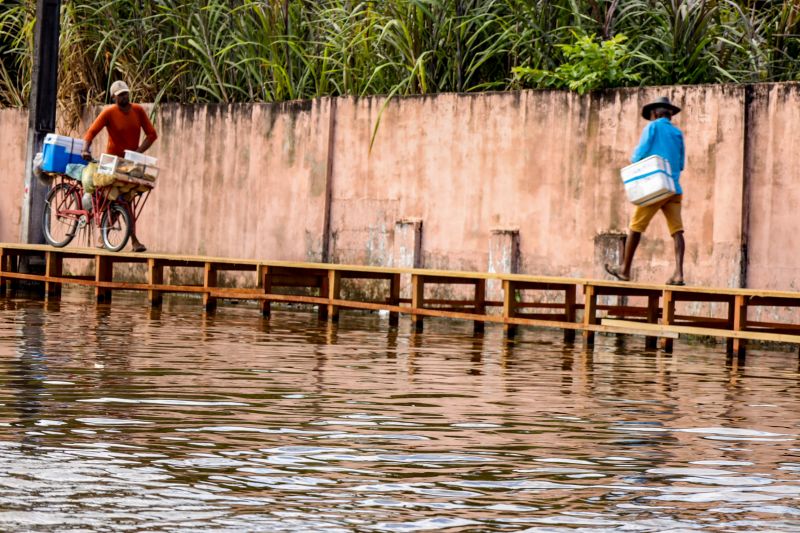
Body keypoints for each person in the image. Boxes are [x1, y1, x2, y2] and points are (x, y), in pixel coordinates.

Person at [605, 96, 686, 286]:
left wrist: (636, 162)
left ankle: (625, 270)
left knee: (636, 226)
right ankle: (679, 274)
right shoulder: (677, 133)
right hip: (673, 188)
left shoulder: (653, 127)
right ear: (669, 115)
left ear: (655, 113)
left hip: (655, 187)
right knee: (677, 231)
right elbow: (681, 164)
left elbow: (639, 154)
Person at [81, 80, 158, 253]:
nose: (125, 97)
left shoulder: (137, 110)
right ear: (113, 96)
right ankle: (127, 239)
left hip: (130, 163)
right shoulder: (109, 112)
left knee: (127, 200)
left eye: (126, 93)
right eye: (121, 94)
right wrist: (85, 149)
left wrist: (137, 152)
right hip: (111, 161)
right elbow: (91, 132)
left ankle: (115, 237)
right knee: (114, 199)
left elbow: (152, 135)